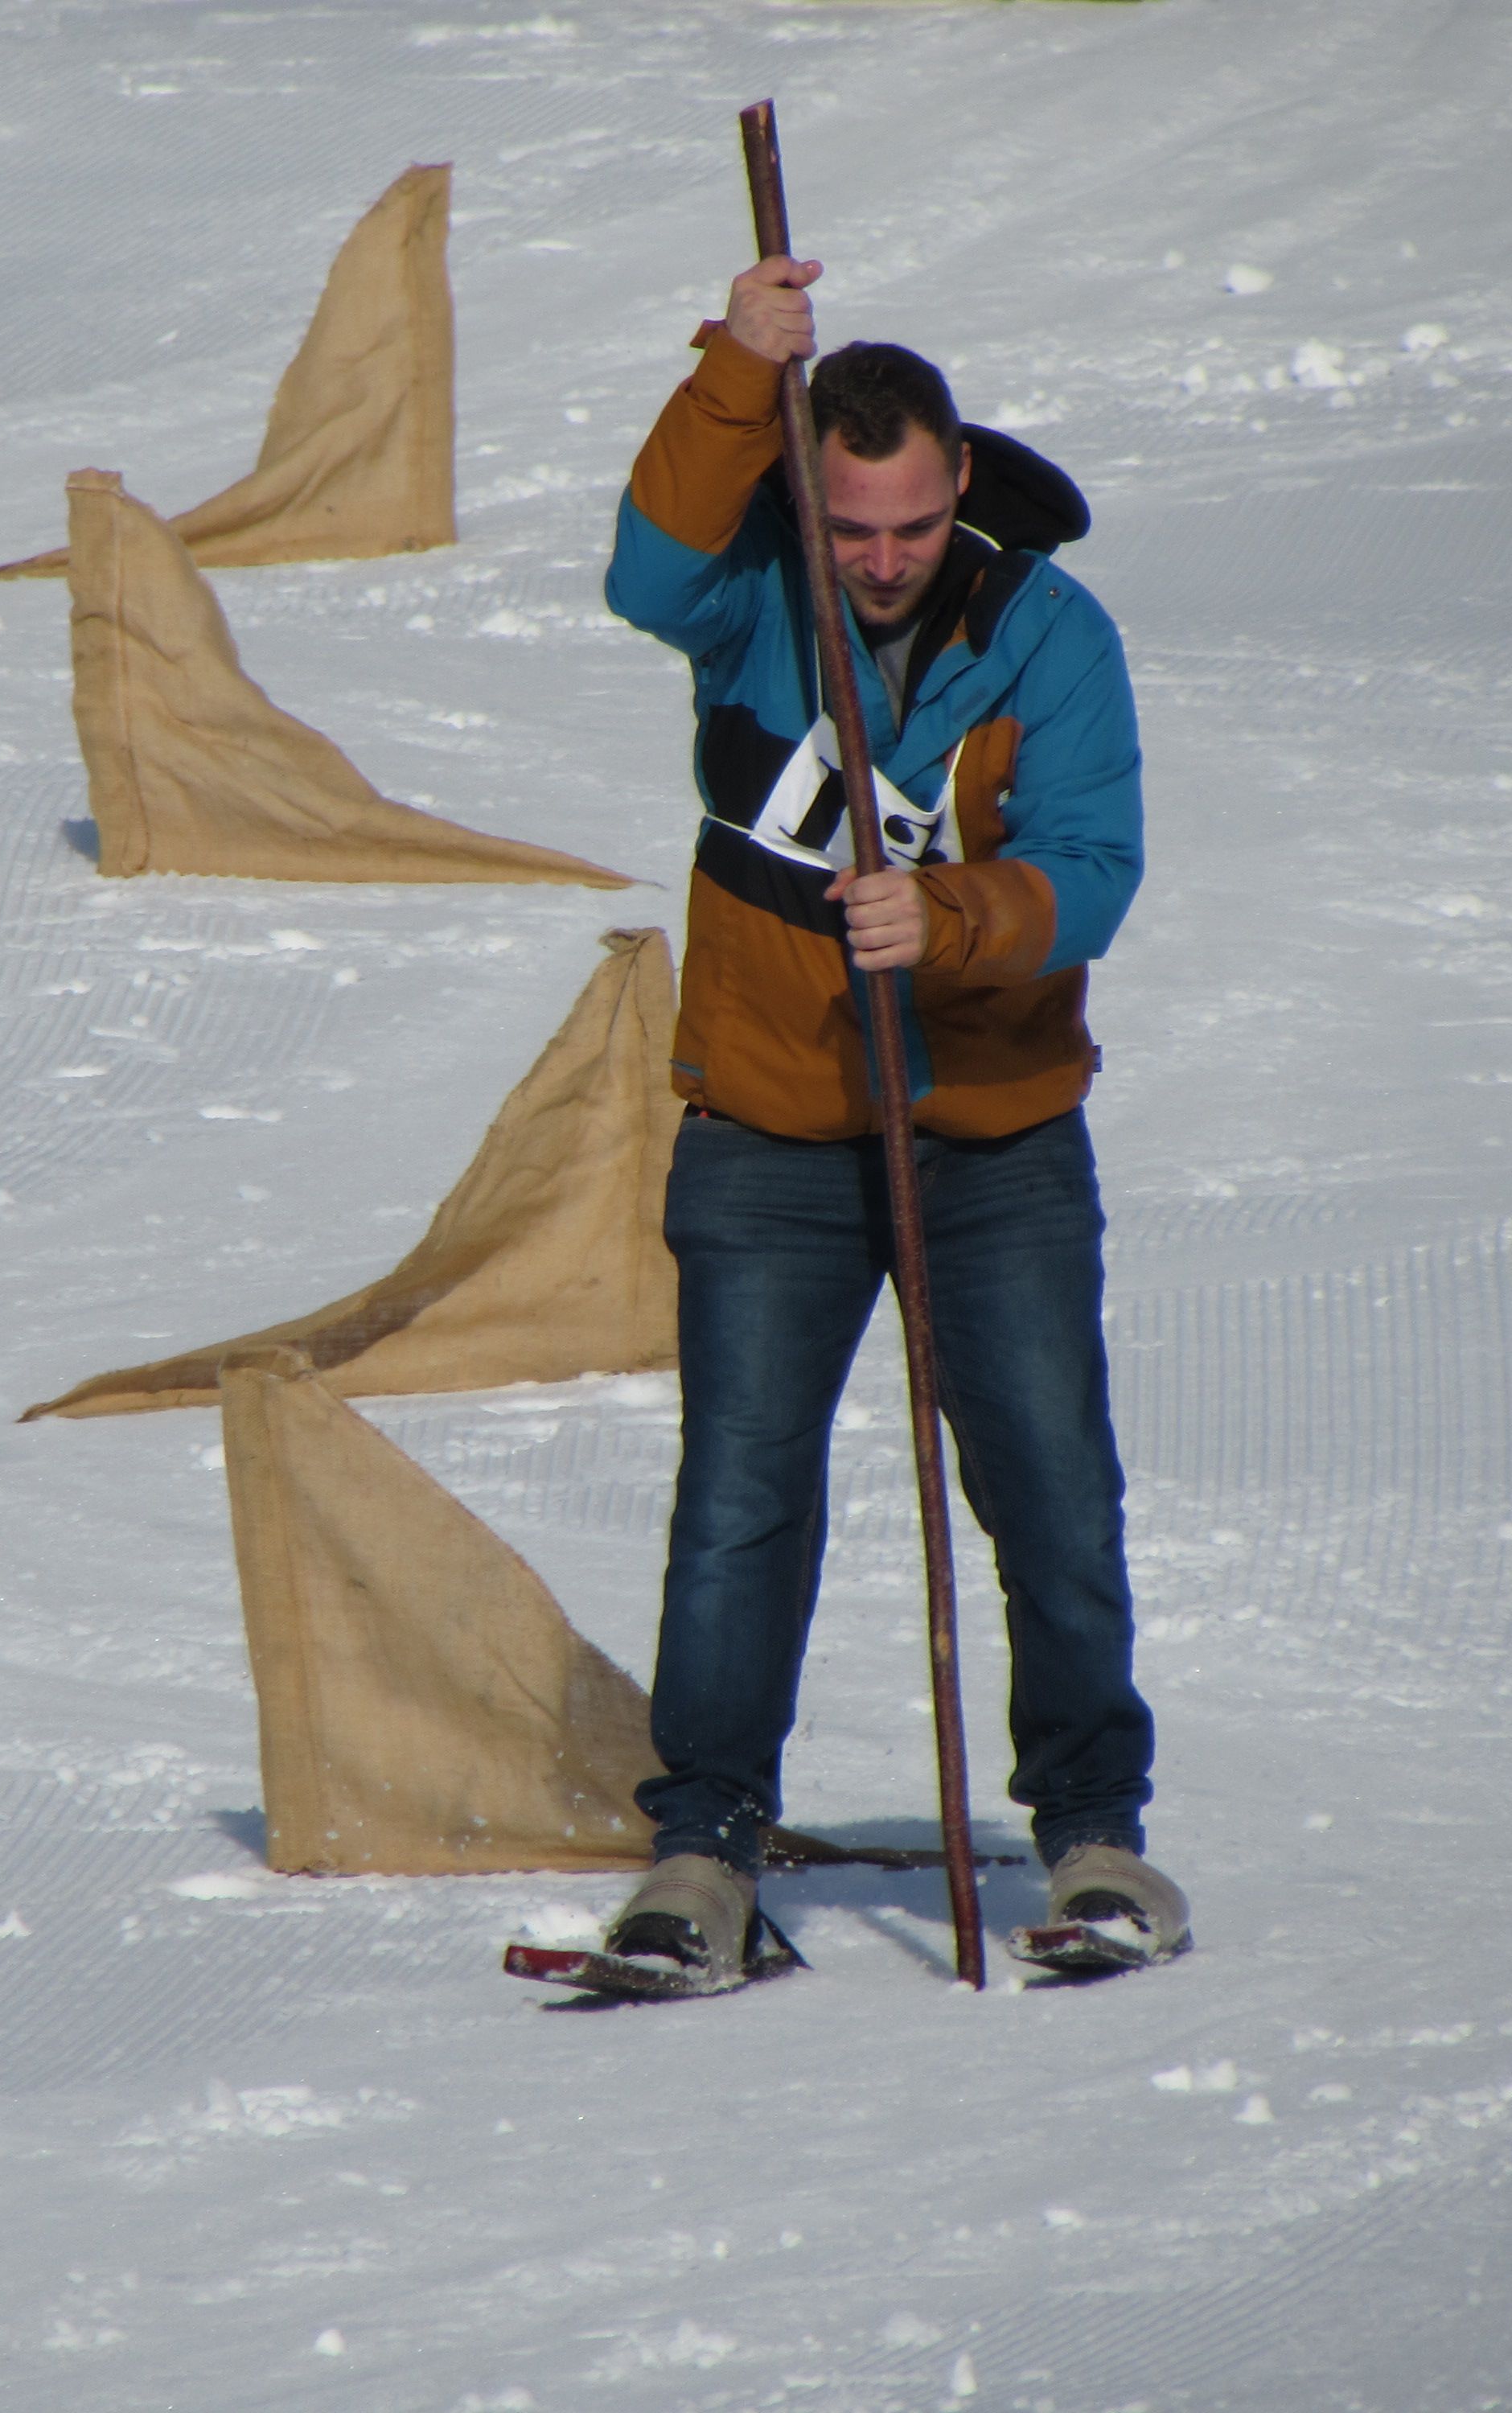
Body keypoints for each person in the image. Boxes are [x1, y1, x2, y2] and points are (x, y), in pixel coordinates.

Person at [596, 250, 1187, 1984]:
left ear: (959, 487)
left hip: (989, 1134)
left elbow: (1092, 869)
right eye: (850, 527)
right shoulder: (749, 595)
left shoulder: (1049, 637)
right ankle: (702, 1853)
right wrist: (735, 366)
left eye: (912, 525)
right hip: (768, 1129)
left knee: (1051, 1492)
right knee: (738, 1505)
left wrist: (951, 920)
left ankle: (1094, 1840)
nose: (878, 560)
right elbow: (642, 571)